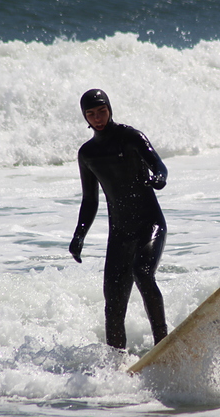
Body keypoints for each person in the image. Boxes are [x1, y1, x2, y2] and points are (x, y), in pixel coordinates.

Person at [69, 89, 168, 350]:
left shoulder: (131, 137)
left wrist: (158, 178)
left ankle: (164, 343)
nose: (98, 118)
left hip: (149, 224)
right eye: (91, 114)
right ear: (85, 117)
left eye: (102, 111)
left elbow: (159, 165)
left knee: (142, 272)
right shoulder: (87, 153)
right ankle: (116, 363)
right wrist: (79, 234)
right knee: (113, 303)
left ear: (110, 109)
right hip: (120, 234)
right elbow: (90, 200)